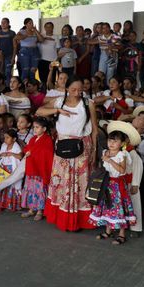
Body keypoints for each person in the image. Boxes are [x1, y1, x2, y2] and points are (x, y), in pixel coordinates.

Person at [38, 77, 98, 231]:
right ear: (66, 89)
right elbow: (39, 111)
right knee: (63, 182)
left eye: (80, 90)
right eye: (73, 90)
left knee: (80, 184)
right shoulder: (59, 101)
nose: (77, 93)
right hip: (63, 146)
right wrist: (56, 110)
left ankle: (80, 219)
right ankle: (63, 217)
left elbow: (95, 130)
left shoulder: (88, 103)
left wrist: (94, 151)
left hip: (82, 147)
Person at [93, 126, 136, 245]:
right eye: (110, 140)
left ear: (122, 143)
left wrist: (110, 160)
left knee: (119, 208)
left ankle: (121, 234)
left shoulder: (122, 154)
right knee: (108, 206)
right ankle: (108, 230)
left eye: (115, 141)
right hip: (106, 183)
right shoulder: (104, 152)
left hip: (117, 185)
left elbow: (122, 170)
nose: (111, 143)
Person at [0, 129, 23, 212]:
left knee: (11, 186)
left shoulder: (16, 146)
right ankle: (0, 204)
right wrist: (4, 154)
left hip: (11, 169)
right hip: (3, 168)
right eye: (4, 137)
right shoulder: (4, 145)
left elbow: (20, 156)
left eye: (7, 137)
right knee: (2, 186)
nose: (5, 139)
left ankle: (11, 204)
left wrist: (11, 154)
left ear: (14, 139)